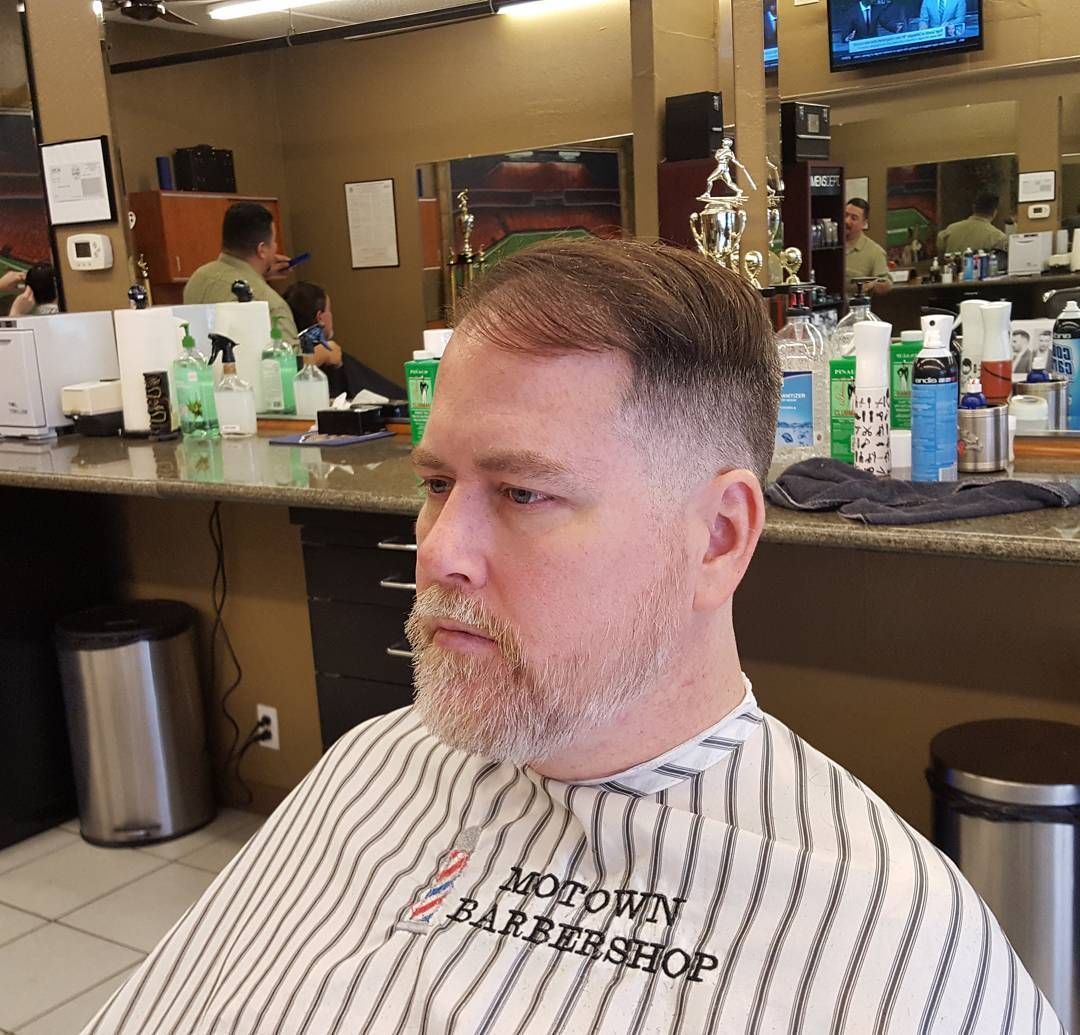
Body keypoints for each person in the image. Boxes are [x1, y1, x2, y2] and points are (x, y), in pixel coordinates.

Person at [85, 240, 1060, 1034]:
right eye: (435, 485)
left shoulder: (889, 943)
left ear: (718, 537)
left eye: (522, 493)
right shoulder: (370, 765)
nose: (437, 551)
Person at [184, 202, 298, 342]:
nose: (275, 247)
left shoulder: (197, 278)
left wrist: (259, 274)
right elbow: (290, 361)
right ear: (261, 249)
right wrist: (324, 354)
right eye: (273, 241)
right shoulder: (271, 305)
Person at [844, 197, 892, 295]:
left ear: (864, 223)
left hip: (854, 308)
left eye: (854, 218)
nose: (847, 221)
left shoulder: (875, 252)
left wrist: (866, 286)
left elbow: (886, 284)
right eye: (845, 215)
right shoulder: (827, 245)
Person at [937, 192, 1008, 255]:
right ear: (994, 213)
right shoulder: (997, 237)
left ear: (973, 208)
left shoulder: (950, 229)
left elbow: (940, 245)